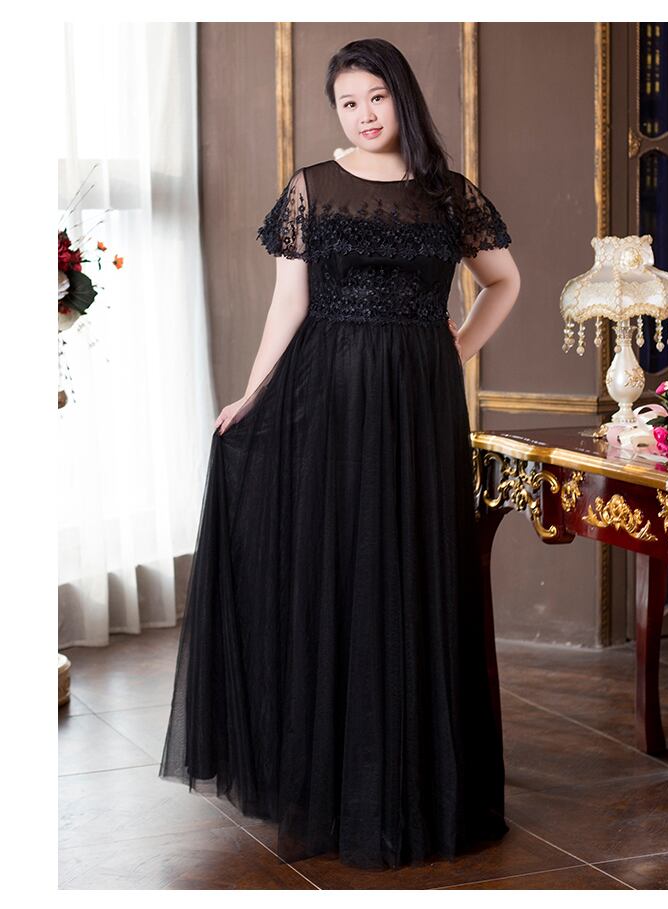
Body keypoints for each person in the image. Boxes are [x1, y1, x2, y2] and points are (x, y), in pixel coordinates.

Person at [159, 37, 521, 872]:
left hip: (421, 406)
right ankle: (332, 779)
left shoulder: (450, 194)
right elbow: (288, 305)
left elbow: (506, 281)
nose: (363, 115)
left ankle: (417, 784)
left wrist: (456, 346)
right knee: (342, 572)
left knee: (413, 571)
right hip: (326, 399)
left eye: (375, 98)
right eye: (348, 103)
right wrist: (251, 394)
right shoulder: (311, 188)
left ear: (403, 98)